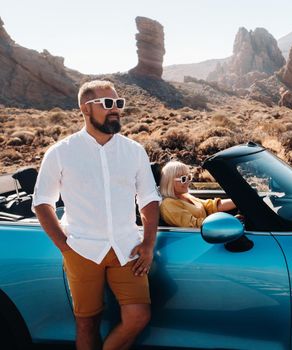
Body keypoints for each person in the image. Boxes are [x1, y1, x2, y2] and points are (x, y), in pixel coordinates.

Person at [33, 80, 161, 350]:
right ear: (85, 109)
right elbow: (42, 202)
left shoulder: (134, 151)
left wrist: (149, 243)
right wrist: (64, 247)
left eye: (118, 103)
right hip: (81, 249)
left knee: (139, 316)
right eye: (107, 104)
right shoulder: (60, 152)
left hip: (128, 248)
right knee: (87, 323)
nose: (115, 109)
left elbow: (149, 199)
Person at [159, 160, 236, 227]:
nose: (188, 181)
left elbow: (210, 206)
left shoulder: (185, 196)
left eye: (189, 177)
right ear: (169, 182)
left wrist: (238, 200)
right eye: (183, 179)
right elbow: (194, 225)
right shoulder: (168, 204)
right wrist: (227, 222)